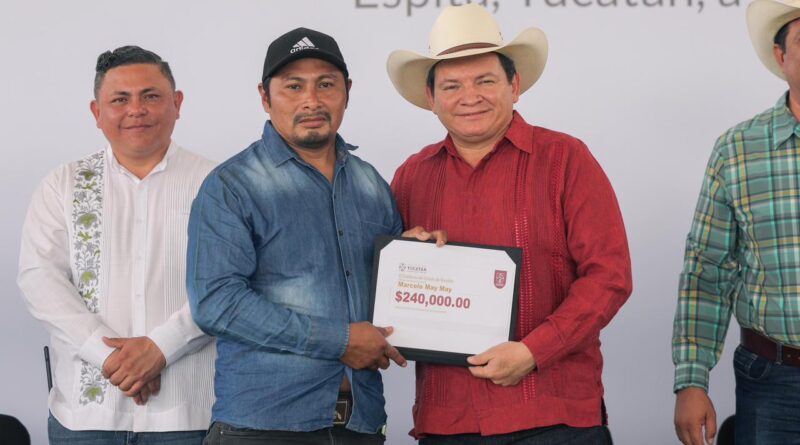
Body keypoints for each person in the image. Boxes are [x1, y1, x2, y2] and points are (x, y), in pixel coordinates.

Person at [386, 4, 632, 444]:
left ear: (514, 86)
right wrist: (403, 259)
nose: (470, 96)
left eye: (485, 81)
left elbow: (609, 277)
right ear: (431, 98)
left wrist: (533, 352)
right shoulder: (410, 177)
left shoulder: (566, 159)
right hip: (448, 422)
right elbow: (382, 290)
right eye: (452, 85)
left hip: (554, 419)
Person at [187, 27, 443, 445]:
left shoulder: (370, 185)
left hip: (359, 424)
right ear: (265, 97)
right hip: (263, 428)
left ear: (347, 92)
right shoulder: (232, 185)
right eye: (293, 86)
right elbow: (216, 303)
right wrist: (340, 340)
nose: (312, 100)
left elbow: (389, 298)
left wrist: (416, 260)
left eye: (326, 84)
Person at [17, 46, 216, 444]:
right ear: (97, 112)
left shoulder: (217, 184)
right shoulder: (63, 184)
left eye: (151, 96)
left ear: (177, 103)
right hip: (85, 417)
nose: (136, 110)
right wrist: (107, 355)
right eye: (120, 99)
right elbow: (40, 279)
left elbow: (231, 285)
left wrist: (161, 348)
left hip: (188, 414)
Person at [673, 1, 800, 444]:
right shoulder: (737, 150)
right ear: (781, 56)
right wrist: (692, 380)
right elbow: (708, 271)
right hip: (774, 380)